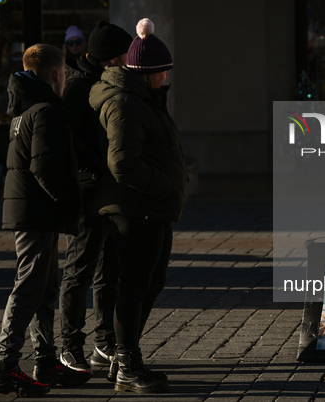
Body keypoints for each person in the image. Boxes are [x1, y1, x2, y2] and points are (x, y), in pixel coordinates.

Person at [89, 18, 187, 393]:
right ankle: (126, 361)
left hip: (152, 208)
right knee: (134, 286)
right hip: (136, 209)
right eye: (163, 70)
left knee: (150, 283)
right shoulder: (126, 104)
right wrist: (164, 186)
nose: (166, 76)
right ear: (148, 72)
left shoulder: (144, 98)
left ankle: (124, 358)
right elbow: (122, 163)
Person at [0, 43, 88, 397]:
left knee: (43, 288)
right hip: (36, 211)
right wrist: (72, 202)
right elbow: (45, 168)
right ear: (58, 74)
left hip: (29, 209)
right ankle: (5, 367)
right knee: (29, 286)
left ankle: (45, 361)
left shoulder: (23, 110)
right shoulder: (47, 110)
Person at [58, 21, 133, 375]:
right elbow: (71, 143)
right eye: (123, 56)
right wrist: (99, 166)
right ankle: (70, 344)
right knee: (80, 268)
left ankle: (104, 343)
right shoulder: (78, 88)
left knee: (110, 270)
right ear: (111, 58)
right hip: (88, 189)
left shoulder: (110, 81)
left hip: (109, 188)